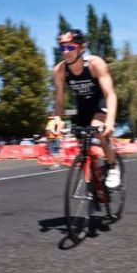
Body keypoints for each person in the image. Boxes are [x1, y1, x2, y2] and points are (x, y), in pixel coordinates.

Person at [52, 29, 120, 188]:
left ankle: (112, 166)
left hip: (99, 101)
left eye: (70, 47)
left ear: (81, 48)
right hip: (82, 105)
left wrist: (110, 122)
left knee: (99, 131)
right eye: (62, 48)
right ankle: (91, 179)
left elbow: (110, 94)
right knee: (83, 144)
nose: (65, 52)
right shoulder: (60, 70)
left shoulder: (95, 63)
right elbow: (59, 100)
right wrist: (57, 118)